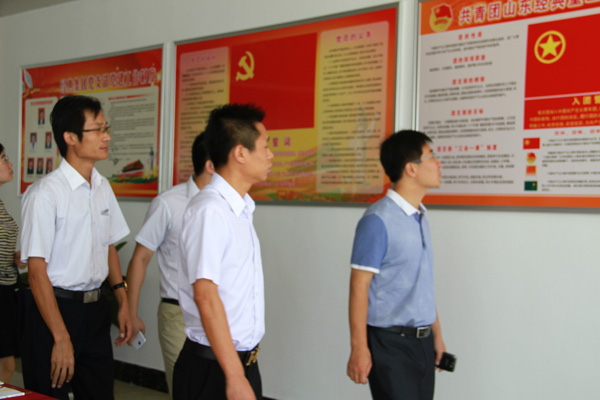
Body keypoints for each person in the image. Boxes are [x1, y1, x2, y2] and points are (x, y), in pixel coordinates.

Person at [20, 95, 131, 400]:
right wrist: (60, 337)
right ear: (70, 137)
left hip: (95, 311)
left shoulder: (102, 186)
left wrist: (122, 300)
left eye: (105, 128)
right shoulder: (45, 194)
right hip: (54, 311)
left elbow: (108, 245)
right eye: (97, 130)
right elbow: (36, 272)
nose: (106, 137)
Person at [173, 104, 273, 400]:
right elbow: (205, 295)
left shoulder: (240, 209)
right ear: (240, 153)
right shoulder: (210, 211)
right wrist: (234, 376)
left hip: (241, 364)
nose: (271, 155)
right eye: (265, 146)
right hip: (214, 370)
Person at [346, 130, 447, 400]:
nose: (438, 163)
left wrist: (437, 336)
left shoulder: (419, 217)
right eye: (431, 157)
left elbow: (421, 285)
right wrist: (359, 348)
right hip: (390, 344)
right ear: (411, 168)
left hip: (422, 343)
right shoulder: (377, 220)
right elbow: (359, 288)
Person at [126, 133, 214, 397]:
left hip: (217, 312)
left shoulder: (230, 206)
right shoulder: (168, 203)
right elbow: (140, 258)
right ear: (211, 165)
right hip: (178, 315)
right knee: (186, 389)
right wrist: (131, 312)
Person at [0, 144, 27, 383]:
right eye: (3, 159)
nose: (10, 164)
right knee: (5, 364)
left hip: (7, 289)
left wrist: (13, 256)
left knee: (6, 363)